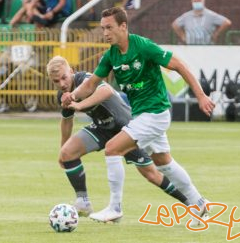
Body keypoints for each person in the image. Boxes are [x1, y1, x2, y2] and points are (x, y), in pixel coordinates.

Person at [61, 7, 215, 224]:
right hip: (143, 115)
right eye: (102, 28)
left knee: (113, 148)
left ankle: (115, 208)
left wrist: (201, 96)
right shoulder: (111, 55)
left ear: (123, 26)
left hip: (155, 114)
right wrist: (73, 95)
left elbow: (179, 65)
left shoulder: (143, 46)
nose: (105, 33)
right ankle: (199, 203)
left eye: (109, 28)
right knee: (164, 163)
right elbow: (91, 84)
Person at [47, 56, 189, 221]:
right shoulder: (63, 96)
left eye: (64, 77)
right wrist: (62, 149)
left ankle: (190, 203)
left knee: (152, 175)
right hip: (102, 128)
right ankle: (83, 202)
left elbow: (106, 91)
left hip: (126, 128)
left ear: (71, 71)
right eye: (56, 81)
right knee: (68, 153)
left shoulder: (83, 79)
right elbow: (66, 122)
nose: (62, 84)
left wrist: (80, 105)